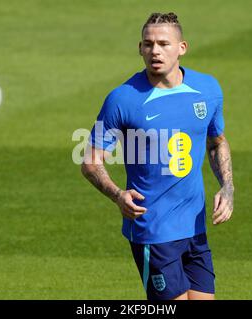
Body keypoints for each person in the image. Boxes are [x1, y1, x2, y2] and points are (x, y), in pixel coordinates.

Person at [81, 12, 234, 300]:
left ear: (182, 48)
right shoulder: (123, 99)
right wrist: (117, 195)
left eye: (163, 43)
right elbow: (90, 161)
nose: (155, 51)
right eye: (148, 44)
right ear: (140, 48)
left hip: (194, 226)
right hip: (153, 230)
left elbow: (217, 143)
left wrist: (227, 187)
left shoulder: (208, 89)